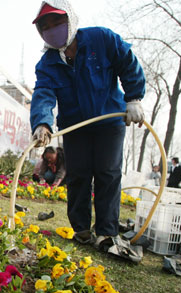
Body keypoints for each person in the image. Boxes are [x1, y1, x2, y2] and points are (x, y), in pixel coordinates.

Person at [29, 0, 146, 248]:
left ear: (70, 19)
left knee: (107, 173)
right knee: (79, 176)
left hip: (109, 120)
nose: (52, 29)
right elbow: (44, 94)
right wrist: (42, 123)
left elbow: (127, 62)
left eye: (57, 22)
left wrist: (134, 97)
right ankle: (81, 229)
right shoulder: (47, 64)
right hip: (75, 127)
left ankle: (106, 232)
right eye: (45, 26)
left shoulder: (101, 39)